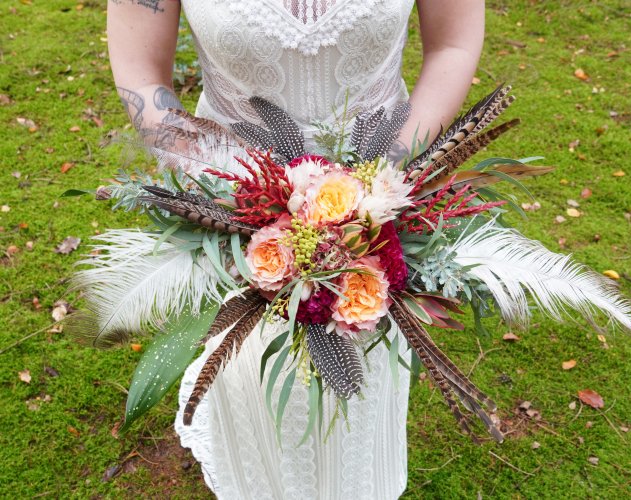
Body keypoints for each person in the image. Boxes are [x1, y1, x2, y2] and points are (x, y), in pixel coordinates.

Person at [107, 0, 485, 497]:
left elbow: (453, 43)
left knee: (360, 361)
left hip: (377, 203)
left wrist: (381, 184)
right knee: (253, 371)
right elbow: (140, 70)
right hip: (232, 200)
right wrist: (236, 197)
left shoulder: (378, 195)